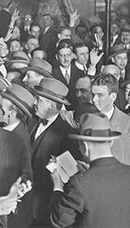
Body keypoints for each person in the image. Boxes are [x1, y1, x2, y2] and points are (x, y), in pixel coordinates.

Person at [50, 113, 130, 227]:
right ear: (111, 142)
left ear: (84, 146)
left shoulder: (79, 183)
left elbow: (58, 222)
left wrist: (58, 188)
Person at [29, 77, 77, 226]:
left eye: (38, 99)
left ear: (51, 104)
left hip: (44, 211)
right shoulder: (31, 122)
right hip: (25, 206)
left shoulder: (66, 133)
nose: (34, 103)